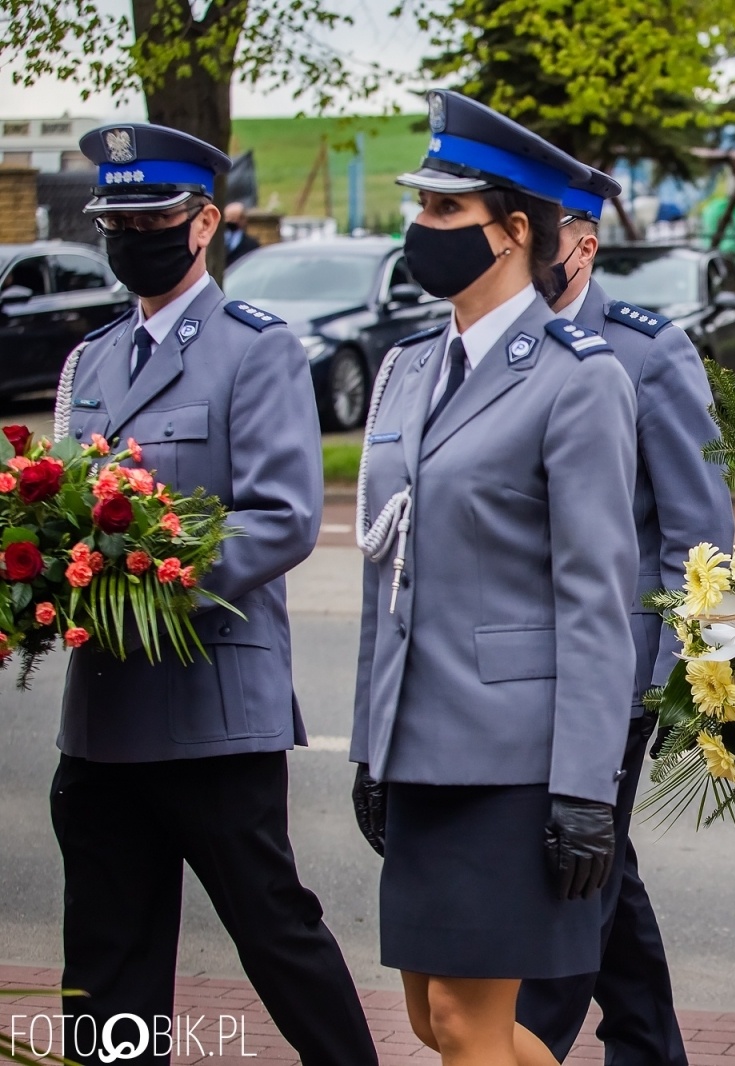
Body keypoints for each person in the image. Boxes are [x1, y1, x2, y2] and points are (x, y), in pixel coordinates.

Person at [52, 123, 377, 1066]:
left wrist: (145, 579)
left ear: (202, 224)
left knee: (276, 936)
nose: (128, 237)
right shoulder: (93, 360)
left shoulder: (255, 349)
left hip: (212, 713)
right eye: (114, 219)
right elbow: (70, 509)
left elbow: (280, 516)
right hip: (104, 719)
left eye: (148, 218)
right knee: (108, 962)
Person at [348, 89, 638, 1066]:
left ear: (514, 231)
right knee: (438, 1020)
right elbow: (384, 575)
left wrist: (585, 786)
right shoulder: (410, 368)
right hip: (420, 749)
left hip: (514, 764)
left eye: (443, 213)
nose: (418, 229)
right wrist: (369, 741)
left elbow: (597, 597)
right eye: (419, 208)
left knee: (471, 1022)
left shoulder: (577, 376)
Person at [514, 163, 734, 1065]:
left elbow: (696, 530)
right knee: (604, 868)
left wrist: (668, 679)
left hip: (620, 670)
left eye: (536, 236)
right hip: (523, 664)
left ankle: (524, 1043)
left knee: (567, 869)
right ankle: (650, 1047)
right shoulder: (502, 346)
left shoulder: (646, 351)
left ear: (582, 245)